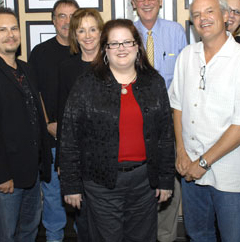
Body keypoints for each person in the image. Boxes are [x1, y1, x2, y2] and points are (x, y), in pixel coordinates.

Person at [60, 19, 175, 242]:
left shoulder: (154, 82)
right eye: (114, 44)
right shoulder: (86, 84)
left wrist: (166, 180)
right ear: (105, 49)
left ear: (137, 47)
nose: (121, 48)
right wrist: (71, 185)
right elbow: (70, 137)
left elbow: (165, 136)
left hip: (144, 182)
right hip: (101, 183)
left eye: (127, 42)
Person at [169, 0, 240, 241]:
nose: (203, 19)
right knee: (198, 234)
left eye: (209, 11)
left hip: (228, 172)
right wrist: (181, 151)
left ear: (225, 16)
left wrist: (203, 163)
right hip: (189, 168)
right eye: (197, 15)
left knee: (233, 237)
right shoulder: (187, 56)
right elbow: (177, 106)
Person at [0, 7, 51, 242]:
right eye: (2, 29)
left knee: (28, 232)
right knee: (4, 236)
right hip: (4, 180)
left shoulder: (26, 69)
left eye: (14, 28)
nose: (10, 34)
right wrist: (2, 176)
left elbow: (35, 117)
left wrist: (43, 162)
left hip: (31, 174)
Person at [130, 0, 186, 242]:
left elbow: (184, 79)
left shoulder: (176, 32)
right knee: (138, 185)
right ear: (133, 3)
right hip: (134, 123)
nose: (146, 3)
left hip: (169, 122)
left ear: (161, 0)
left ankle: (165, 237)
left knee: (169, 183)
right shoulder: (126, 33)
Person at [28, 0, 79, 242]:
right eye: (61, 16)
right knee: (53, 198)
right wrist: (48, 124)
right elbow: (35, 93)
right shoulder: (40, 53)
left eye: (72, 16)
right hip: (51, 137)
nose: (67, 22)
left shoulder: (89, 50)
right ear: (53, 20)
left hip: (82, 141)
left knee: (84, 199)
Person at [56, 8, 104, 242]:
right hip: (80, 160)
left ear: (101, 32)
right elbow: (64, 118)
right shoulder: (66, 68)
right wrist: (63, 163)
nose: (87, 35)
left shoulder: (116, 64)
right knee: (84, 225)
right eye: (81, 30)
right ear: (74, 35)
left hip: (111, 159)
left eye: (93, 29)